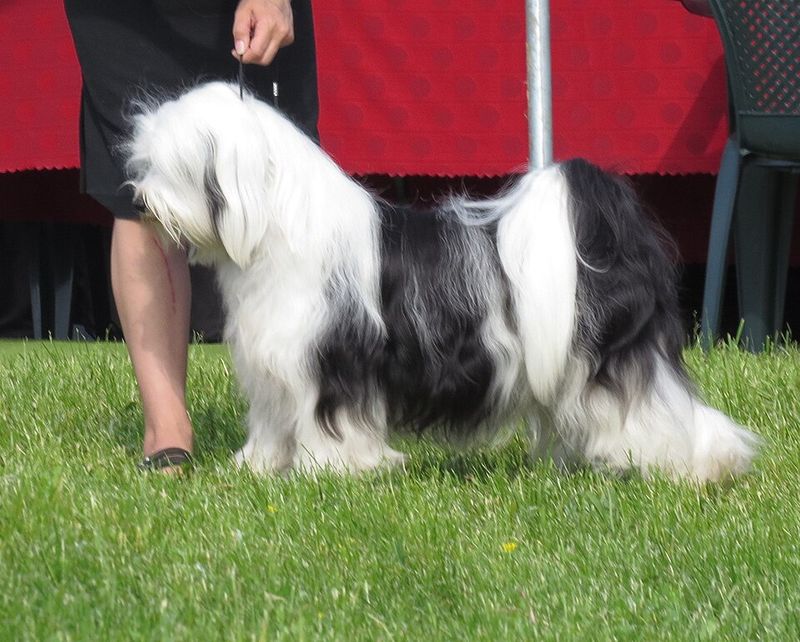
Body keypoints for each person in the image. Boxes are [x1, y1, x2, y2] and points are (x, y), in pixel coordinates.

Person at [64, 0, 319, 471]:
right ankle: (167, 430)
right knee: (142, 193)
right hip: (122, 17)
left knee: (283, 186)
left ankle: (317, 420)